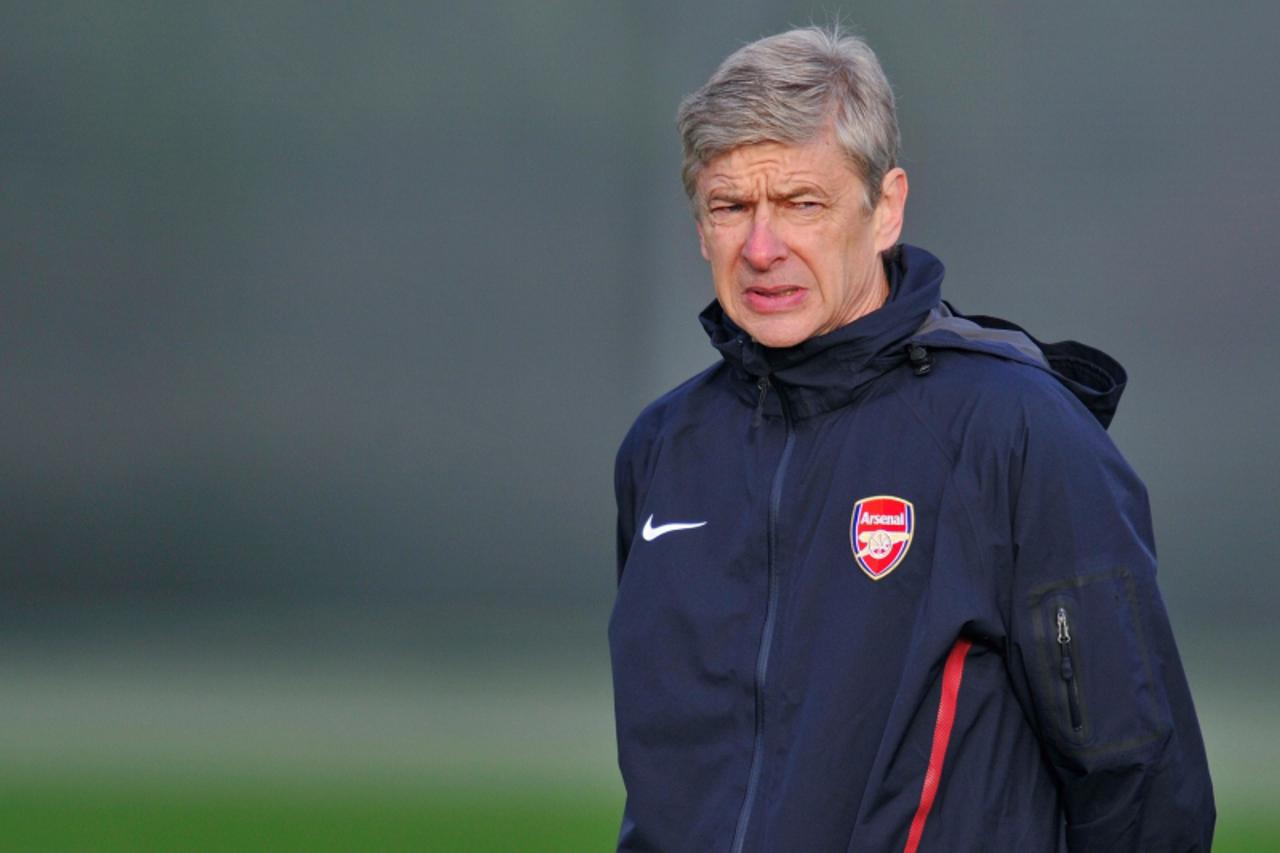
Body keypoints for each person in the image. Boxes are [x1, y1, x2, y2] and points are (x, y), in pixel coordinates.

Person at [607, 25, 1215, 853]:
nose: (760, 248)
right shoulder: (666, 451)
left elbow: (1144, 786)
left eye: (801, 203)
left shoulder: (1013, 429)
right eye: (729, 206)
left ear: (885, 206)